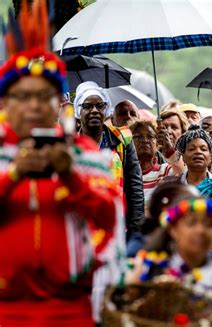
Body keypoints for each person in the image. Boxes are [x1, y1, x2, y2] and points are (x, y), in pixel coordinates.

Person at [0, 1, 121, 324]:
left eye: (44, 96)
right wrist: (14, 175)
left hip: (72, 307)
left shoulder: (84, 154)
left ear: (59, 102)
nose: (34, 106)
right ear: (5, 103)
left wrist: (70, 176)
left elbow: (109, 217)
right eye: (22, 96)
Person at [127, 192, 212, 326]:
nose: (201, 230)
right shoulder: (147, 267)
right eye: (192, 223)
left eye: (208, 224)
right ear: (173, 230)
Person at [75, 81, 144, 240]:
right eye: (87, 106)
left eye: (100, 106)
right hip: (82, 224)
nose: (94, 111)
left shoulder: (122, 140)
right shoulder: (71, 144)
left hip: (117, 222)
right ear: (79, 111)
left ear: (106, 111)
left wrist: (135, 229)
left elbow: (134, 186)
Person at [129, 119, 183, 208]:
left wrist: (170, 149)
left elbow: (183, 173)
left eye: (150, 136)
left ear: (157, 143)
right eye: (138, 137)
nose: (145, 140)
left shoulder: (165, 170)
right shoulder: (123, 174)